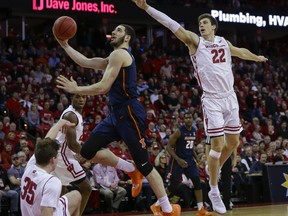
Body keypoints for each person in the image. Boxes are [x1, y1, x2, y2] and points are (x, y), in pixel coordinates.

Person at [131, 0, 268, 214]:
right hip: (212, 100)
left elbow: (240, 51)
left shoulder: (223, 42)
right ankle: (213, 189)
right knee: (216, 147)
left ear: (213, 26)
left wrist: (256, 57)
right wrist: (147, 8)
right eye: (199, 23)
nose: (201, 25)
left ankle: (213, 170)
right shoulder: (195, 42)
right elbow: (171, 24)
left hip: (230, 98)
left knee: (233, 143)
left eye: (205, 22)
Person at [54, 24, 180, 216]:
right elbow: (86, 62)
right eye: (114, 30)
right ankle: (130, 169)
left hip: (129, 113)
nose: (113, 32)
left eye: (119, 30)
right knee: (87, 151)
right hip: (116, 114)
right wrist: (65, 45)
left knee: (145, 164)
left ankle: (167, 209)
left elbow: (103, 87)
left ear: (127, 38)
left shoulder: (120, 54)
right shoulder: (114, 57)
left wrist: (76, 89)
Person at [27, 94, 92, 215]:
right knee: (86, 188)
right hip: (63, 155)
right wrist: (88, 154)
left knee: (60, 189)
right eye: (78, 97)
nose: (81, 99)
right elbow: (72, 144)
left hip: (61, 153)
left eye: (84, 97)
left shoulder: (75, 113)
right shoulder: (71, 115)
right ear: (72, 98)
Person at [20, 119, 82, 216]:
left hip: (29, 212)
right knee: (76, 195)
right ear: (53, 160)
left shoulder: (31, 165)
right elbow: (46, 213)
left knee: (76, 196)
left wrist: (61, 122)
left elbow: (47, 139)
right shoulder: (52, 182)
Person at [166, 112, 212, 216]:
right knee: (173, 185)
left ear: (192, 119)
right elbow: (168, 147)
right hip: (179, 161)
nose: (188, 119)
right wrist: (178, 160)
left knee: (197, 182)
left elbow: (191, 147)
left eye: (190, 117)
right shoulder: (179, 131)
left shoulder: (194, 131)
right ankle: (159, 204)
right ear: (183, 119)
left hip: (190, 161)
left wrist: (196, 158)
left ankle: (200, 209)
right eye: (186, 118)